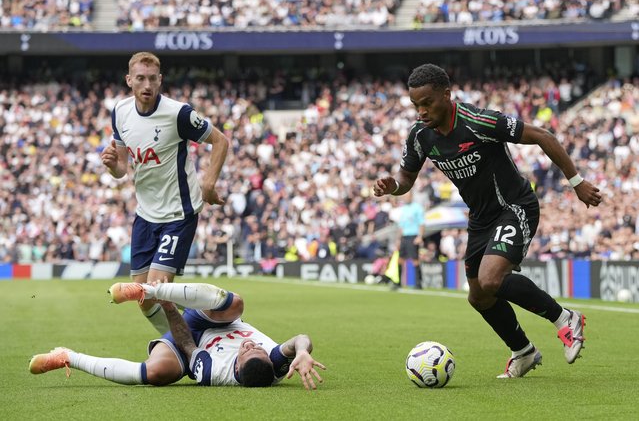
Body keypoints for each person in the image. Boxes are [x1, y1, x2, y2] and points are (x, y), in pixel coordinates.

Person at [373, 64, 603, 378]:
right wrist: (393, 187)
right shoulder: (420, 135)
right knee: (479, 295)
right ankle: (523, 352)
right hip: (480, 220)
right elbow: (406, 177)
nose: (422, 111)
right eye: (416, 105)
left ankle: (565, 318)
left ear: (447, 95)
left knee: (492, 279)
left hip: (514, 206)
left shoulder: (478, 121)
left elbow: (542, 135)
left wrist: (576, 182)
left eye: (427, 103)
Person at [100, 52, 229, 334]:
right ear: (129, 80)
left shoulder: (178, 113)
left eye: (152, 79)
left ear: (160, 80)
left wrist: (208, 184)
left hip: (178, 212)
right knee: (144, 298)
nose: (146, 85)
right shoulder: (120, 111)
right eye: (140, 78)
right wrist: (112, 165)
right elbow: (123, 167)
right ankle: (196, 334)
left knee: (157, 289)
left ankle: (188, 349)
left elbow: (220, 140)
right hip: (146, 214)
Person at [29, 281, 326, 390]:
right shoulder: (272, 363)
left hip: (194, 337)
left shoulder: (213, 372)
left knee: (156, 373)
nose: (250, 343)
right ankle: (147, 290)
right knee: (237, 303)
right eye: (257, 347)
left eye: (247, 350)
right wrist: (301, 351)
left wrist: (170, 308)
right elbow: (301, 337)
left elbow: (186, 343)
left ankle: (68, 356)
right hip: (217, 317)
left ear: (236, 367)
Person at [395, 192, 426, 289]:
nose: (405, 198)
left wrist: (420, 236)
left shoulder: (417, 208)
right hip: (404, 237)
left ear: (411, 197)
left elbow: (421, 223)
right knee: (400, 260)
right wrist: (399, 239)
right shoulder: (404, 209)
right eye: (404, 197)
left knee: (415, 260)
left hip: (413, 236)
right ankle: (398, 282)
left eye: (407, 196)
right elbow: (401, 226)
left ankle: (418, 283)